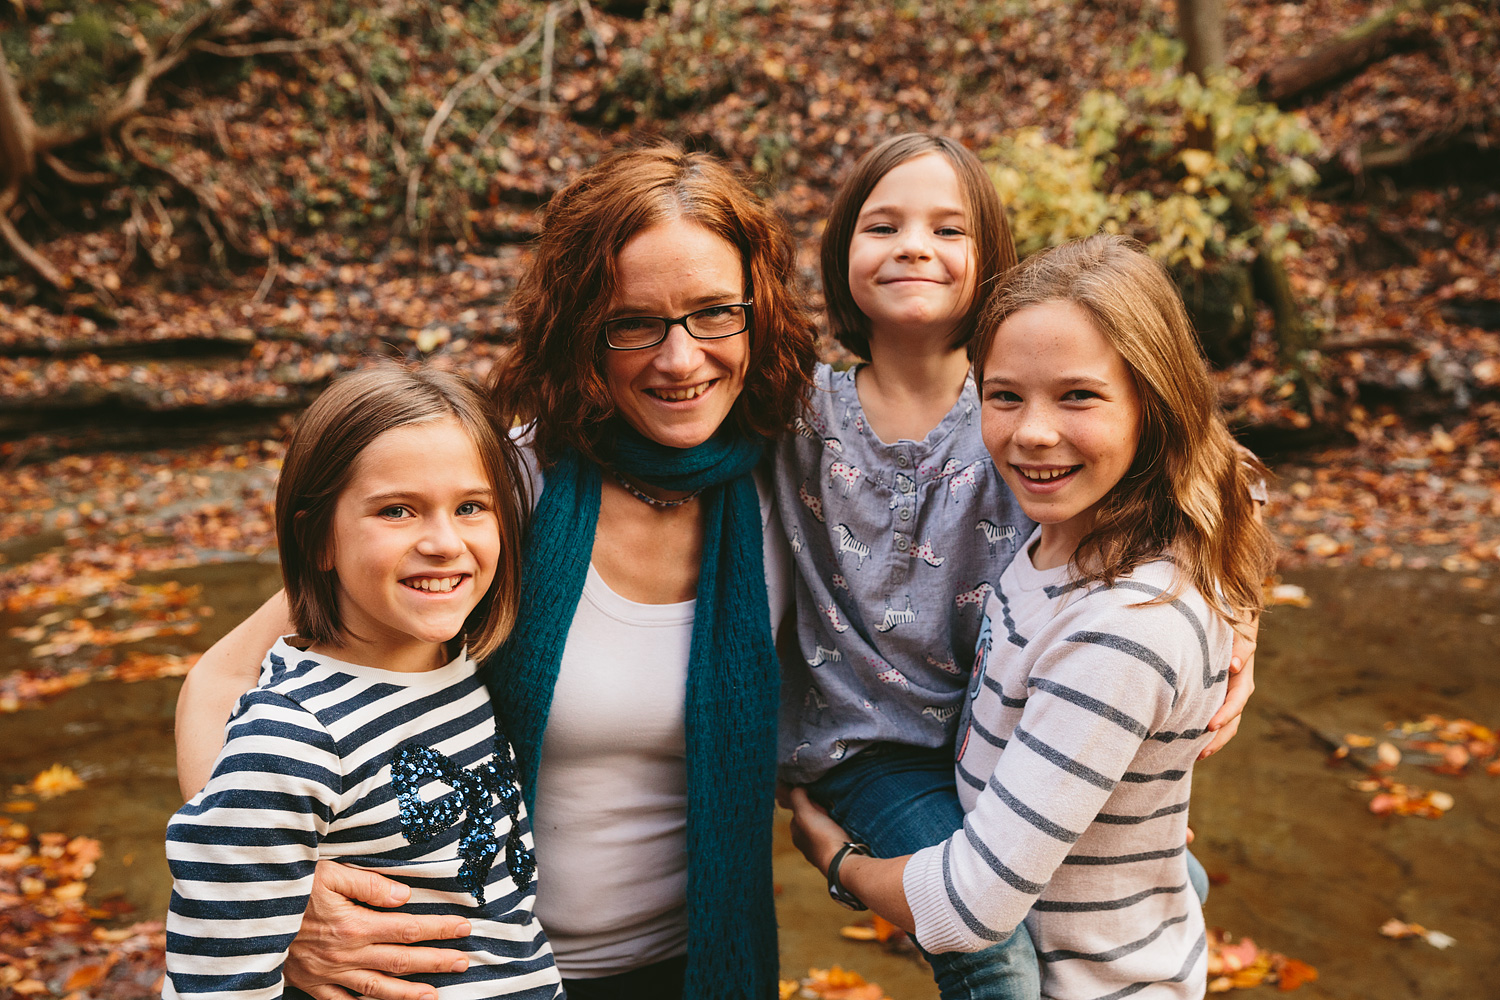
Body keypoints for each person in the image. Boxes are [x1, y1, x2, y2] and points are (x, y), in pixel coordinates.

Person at [174, 144, 817, 1000]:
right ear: (580, 328)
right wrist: (286, 896)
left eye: (713, 313)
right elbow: (224, 676)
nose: (679, 358)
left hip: (695, 965)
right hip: (467, 972)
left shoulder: (796, 489)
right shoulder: (498, 494)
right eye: (634, 322)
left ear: (758, 310)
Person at [775, 134, 1255, 1000]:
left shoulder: (1013, 404)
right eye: (884, 225)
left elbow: (1223, 473)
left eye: (948, 229)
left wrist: (1241, 622)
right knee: (993, 952)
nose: (915, 244)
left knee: (1161, 882)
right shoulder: (797, 409)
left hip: (993, 726)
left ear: (991, 260)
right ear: (841, 248)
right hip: (867, 743)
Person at [164, 364, 560, 999]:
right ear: (319, 537)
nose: (443, 542)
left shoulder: (456, 671)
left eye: (470, 507)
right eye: (397, 510)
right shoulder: (291, 737)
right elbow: (215, 982)